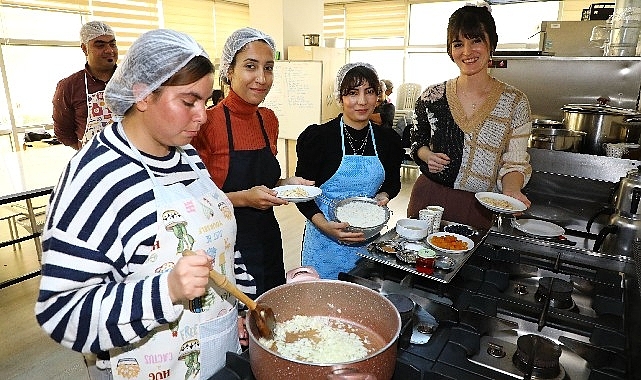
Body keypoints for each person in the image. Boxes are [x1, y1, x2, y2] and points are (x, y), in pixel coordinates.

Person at [35, 29, 252, 379]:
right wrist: (166, 291)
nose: (203, 116)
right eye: (188, 101)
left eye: (206, 101)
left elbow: (221, 241)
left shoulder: (187, 156)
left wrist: (242, 306)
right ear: (142, 95)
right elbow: (62, 312)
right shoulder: (98, 178)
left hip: (218, 352)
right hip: (149, 365)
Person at [192, 27, 313, 298]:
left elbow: (265, 182)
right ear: (229, 71)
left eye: (268, 68)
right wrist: (245, 199)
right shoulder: (207, 122)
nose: (261, 78)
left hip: (267, 234)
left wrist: (286, 184)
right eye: (250, 66)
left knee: (269, 307)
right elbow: (196, 200)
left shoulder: (267, 119)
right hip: (225, 240)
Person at [407, 3, 532, 230]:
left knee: (472, 264)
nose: (467, 51)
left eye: (476, 40)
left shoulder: (515, 101)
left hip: (481, 205)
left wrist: (511, 190)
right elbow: (416, 140)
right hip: (429, 198)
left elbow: (515, 161)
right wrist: (427, 156)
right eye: (458, 44)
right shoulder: (432, 96)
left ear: (491, 43)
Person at [295, 62, 403, 279]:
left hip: (368, 238)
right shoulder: (319, 138)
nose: (362, 101)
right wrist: (324, 226)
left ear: (378, 96)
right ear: (340, 98)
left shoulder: (388, 140)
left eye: (369, 92)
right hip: (323, 240)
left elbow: (393, 182)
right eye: (353, 93)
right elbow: (303, 193)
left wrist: (384, 194)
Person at [52, 21, 117, 150]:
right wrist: (87, 151)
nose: (109, 50)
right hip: (94, 162)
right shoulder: (68, 86)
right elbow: (63, 132)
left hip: (134, 159)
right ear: (84, 48)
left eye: (112, 44)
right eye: (100, 45)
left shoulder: (131, 79)